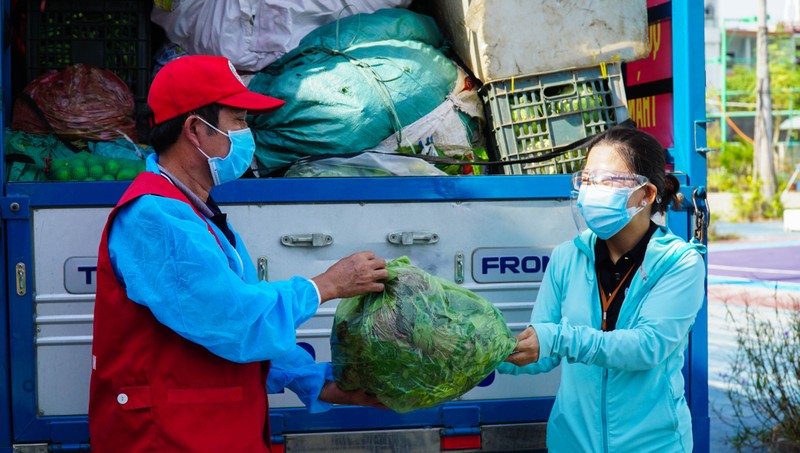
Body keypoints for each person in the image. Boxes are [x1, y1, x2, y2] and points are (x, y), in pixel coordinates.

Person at [88, 55, 389, 452]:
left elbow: (245, 327)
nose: (248, 135)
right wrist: (324, 286)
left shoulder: (196, 212)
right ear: (196, 128)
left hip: (210, 431)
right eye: (240, 121)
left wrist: (317, 381)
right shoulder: (154, 215)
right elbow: (233, 318)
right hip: (166, 436)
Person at [499, 126, 705, 452]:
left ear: (647, 194)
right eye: (587, 179)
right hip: (571, 444)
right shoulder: (568, 257)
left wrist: (557, 338)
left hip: (653, 445)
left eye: (607, 181)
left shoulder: (679, 264)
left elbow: (647, 347)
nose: (592, 191)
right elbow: (542, 353)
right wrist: (487, 352)